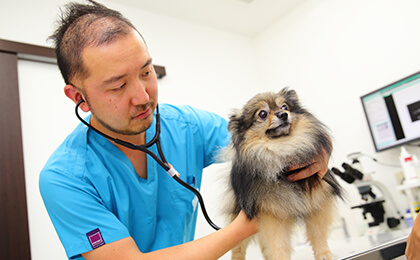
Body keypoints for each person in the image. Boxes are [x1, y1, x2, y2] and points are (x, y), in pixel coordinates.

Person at [39, 1, 331, 259]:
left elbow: (261, 146)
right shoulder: (64, 179)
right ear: (79, 97)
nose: (143, 97)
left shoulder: (189, 127)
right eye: (118, 86)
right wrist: (252, 220)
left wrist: (321, 149)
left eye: (146, 72)